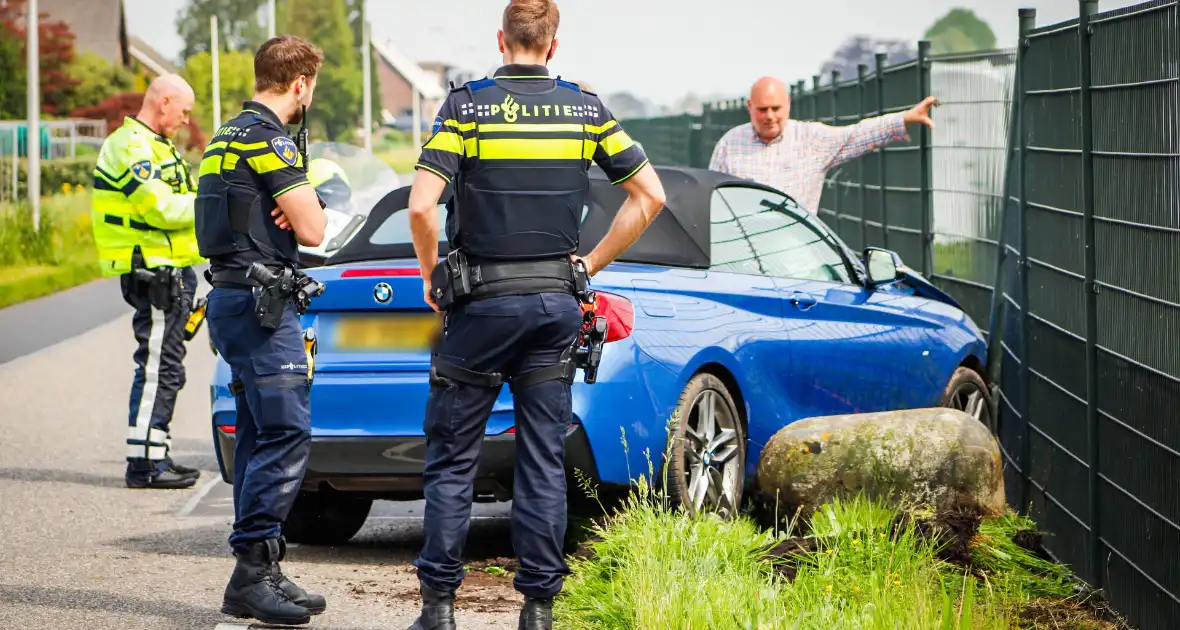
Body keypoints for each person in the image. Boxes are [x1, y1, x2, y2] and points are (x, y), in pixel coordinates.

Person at [403, 2, 667, 629]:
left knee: (453, 456)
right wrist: (589, 265)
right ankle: (539, 610)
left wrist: (430, 278)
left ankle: (439, 609)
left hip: (480, 308)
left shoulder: (466, 107)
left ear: (502, 40)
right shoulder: (584, 109)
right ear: (553, 44)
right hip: (554, 307)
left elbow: (419, 209)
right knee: (543, 457)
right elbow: (650, 194)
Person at [194, 35, 328, 627]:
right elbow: (316, 229)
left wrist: (290, 206)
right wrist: (305, 201)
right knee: (287, 432)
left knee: (255, 432)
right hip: (261, 303)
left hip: (231, 297)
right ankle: (250, 576)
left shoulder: (224, 135)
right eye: (311, 88)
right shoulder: (270, 139)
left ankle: (265, 566)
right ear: (299, 84)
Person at [90, 73, 204, 490]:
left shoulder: (157, 146)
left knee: (166, 365)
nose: (186, 121)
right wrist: (210, 200)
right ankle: (144, 465)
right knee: (159, 367)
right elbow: (162, 209)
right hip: (153, 273)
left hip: (169, 270)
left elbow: (179, 207)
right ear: (165, 102)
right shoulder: (130, 146)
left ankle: (155, 454)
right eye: (184, 112)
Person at [708, 76, 938, 213]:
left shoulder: (811, 140)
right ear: (749, 107)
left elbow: (857, 134)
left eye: (776, 108)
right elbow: (712, 198)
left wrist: (905, 118)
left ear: (788, 104)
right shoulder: (730, 144)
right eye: (762, 109)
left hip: (795, 250)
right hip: (742, 249)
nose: (769, 116)